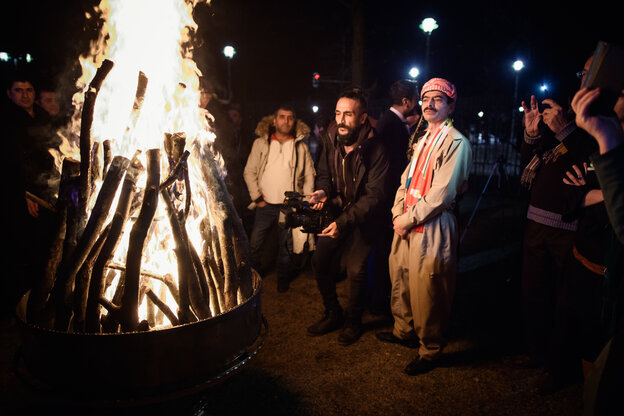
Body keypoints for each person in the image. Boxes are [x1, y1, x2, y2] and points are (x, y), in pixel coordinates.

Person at [376, 78, 471, 375]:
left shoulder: (457, 142)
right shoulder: (423, 139)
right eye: (426, 98)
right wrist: (396, 213)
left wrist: (405, 219)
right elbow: (405, 181)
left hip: (432, 228)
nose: (429, 103)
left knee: (429, 290)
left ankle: (429, 349)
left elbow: (442, 193)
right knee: (401, 280)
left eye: (438, 99)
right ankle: (403, 330)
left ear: (451, 105)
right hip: (405, 223)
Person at [515, 56, 598, 373]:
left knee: (562, 300)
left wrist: (564, 130)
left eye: (589, 71)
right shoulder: (568, 119)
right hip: (536, 222)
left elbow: (589, 159)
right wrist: (532, 134)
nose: (583, 76)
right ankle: (537, 354)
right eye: (582, 70)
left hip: (568, 228)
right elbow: (533, 160)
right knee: (533, 294)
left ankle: (557, 365)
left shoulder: (595, 122)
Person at [306, 87, 390, 345]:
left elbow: (374, 196)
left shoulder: (377, 148)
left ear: (362, 118)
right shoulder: (331, 137)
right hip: (339, 211)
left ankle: (354, 321)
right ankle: (333, 313)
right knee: (320, 260)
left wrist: (342, 224)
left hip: (366, 218)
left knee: (356, 269)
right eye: (338, 113)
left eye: (348, 115)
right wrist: (322, 191)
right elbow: (323, 173)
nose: (341, 120)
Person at [571, 85, 624, 416]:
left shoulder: (609, 144)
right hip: (593, 266)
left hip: (611, 270)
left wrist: (609, 150)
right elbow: (571, 196)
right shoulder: (595, 141)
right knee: (589, 337)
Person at [243, 105, 316, 292]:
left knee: (287, 246)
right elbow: (249, 171)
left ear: (294, 121)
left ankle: (283, 281)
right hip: (265, 204)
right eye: (282, 117)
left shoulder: (301, 147)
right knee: (255, 244)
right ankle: (251, 280)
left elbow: (308, 176)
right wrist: (257, 197)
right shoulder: (261, 143)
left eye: (290, 117)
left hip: (289, 207)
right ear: (274, 120)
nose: (286, 121)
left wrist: (305, 202)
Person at [369, 79, 419, 316]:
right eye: (417, 99)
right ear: (407, 101)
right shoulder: (392, 125)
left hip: (387, 196)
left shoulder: (389, 121)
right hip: (388, 196)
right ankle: (379, 299)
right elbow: (394, 164)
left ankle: (379, 295)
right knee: (383, 251)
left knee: (383, 250)